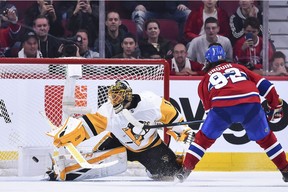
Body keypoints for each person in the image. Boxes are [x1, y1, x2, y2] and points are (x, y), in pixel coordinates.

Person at [177, 43, 288, 183]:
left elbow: (209, 112)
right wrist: (274, 105)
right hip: (251, 103)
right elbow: (266, 86)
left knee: (202, 140)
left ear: (207, 62)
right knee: (267, 140)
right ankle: (285, 169)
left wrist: (218, 119)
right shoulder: (239, 67)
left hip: (222, 107)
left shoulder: (204, 81)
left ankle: (185, 170)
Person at [47, 80, 194, 181]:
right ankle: (64, 168)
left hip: (151, 148)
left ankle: (151, 168)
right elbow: (88, 126)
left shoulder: (151, 103)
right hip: (118, 142)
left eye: (118, 97)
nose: (115, 101)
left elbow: (173, 118)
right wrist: (69, 134)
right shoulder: (108, 110)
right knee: (93, 161)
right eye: (113, 96)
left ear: (128, 95)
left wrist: (183, 133)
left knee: (170, 174)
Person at [124, 1, 191, 40]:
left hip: (171, 12)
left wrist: (182, 3)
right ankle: (139, 44)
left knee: (187, 14)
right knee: (138, 14)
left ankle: (183, 42)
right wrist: (136, 5)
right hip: (148, 11)